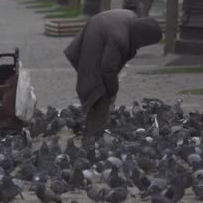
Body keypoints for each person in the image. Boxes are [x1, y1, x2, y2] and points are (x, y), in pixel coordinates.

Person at [63, 9, 163, 143]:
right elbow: (108, 69)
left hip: (97, 32)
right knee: (99, 95)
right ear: (142, 37)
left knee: (99, 92)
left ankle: (91, 136)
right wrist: (113, 91)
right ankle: (92, 141)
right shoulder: (119, 38)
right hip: (93, 46)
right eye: (146, 42)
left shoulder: (131, 20)